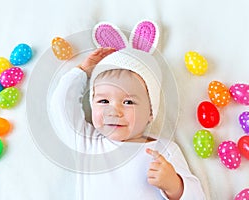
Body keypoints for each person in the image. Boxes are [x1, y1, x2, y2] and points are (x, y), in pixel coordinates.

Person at [50, 47, 205, 200]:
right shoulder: (88, 143)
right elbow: (60, 106)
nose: (114, 111)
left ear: (150, 111)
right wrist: (82, 71)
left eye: (128, 102)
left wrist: (175, 186)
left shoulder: (164, 151)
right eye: (104, 101)